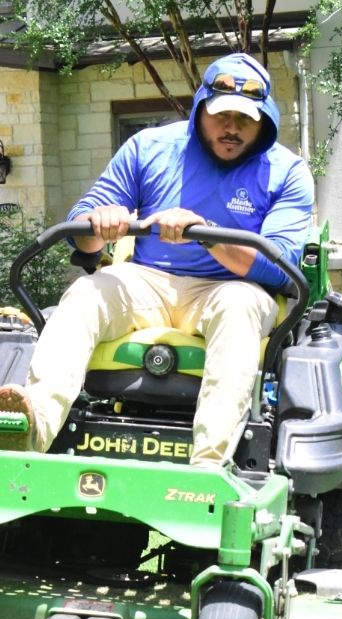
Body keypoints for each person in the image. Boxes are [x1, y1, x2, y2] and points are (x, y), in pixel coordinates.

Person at [0, 52, 314, 466]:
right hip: (148, 280)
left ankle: (207, 466)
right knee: (86, 292)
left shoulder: (286, 172)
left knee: (238, 308)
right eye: (222, 116)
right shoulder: (149, 148)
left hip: (232, 289)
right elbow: (82, 238)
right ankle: (34, 428)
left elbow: (280, 267)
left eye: (246, 119)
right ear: (201, 108)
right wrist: (98, 226)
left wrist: (206, 235)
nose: (232, 128)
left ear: (265, 119)